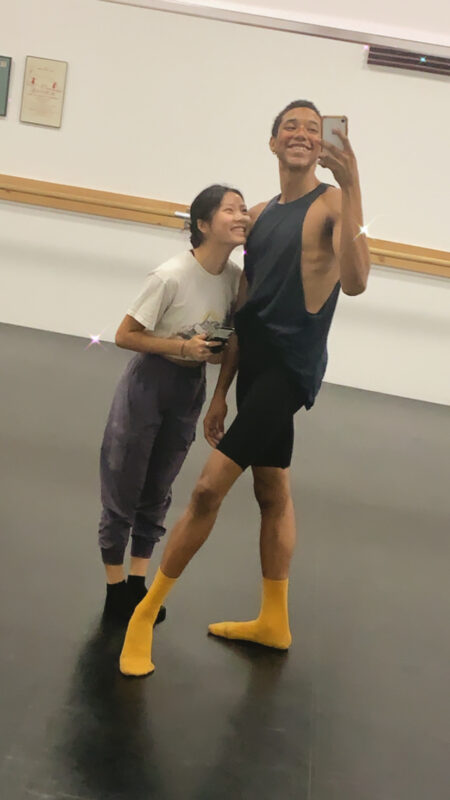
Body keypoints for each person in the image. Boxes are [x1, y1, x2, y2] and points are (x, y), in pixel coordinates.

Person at [119, 99, 371, 675]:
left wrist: (353, 182)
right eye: (291, 127)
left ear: (323, 142)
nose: (303, 134)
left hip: (288, 371)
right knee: (272, 492)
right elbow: (244, 308)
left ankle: (143, 613)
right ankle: (274, 621)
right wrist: (221, 390)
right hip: (253, 366)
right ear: (273, 142)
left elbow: (354, 282)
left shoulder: (332, 203)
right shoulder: (258, 214)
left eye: (313, 128)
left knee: (207, 491)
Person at [99, 184, 249, 622]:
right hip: (149, 383)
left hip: (188, 390)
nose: (241, 216)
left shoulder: (235, 279)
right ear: (203, 224)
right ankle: (113, 590)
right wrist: (181, 349)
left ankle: (137, 583)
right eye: (230, 210)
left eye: (243, 209)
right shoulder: (170, 276)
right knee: (123, 482)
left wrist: (218, 392)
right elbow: (125, 335)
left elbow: (231, 342)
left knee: (159, 486)